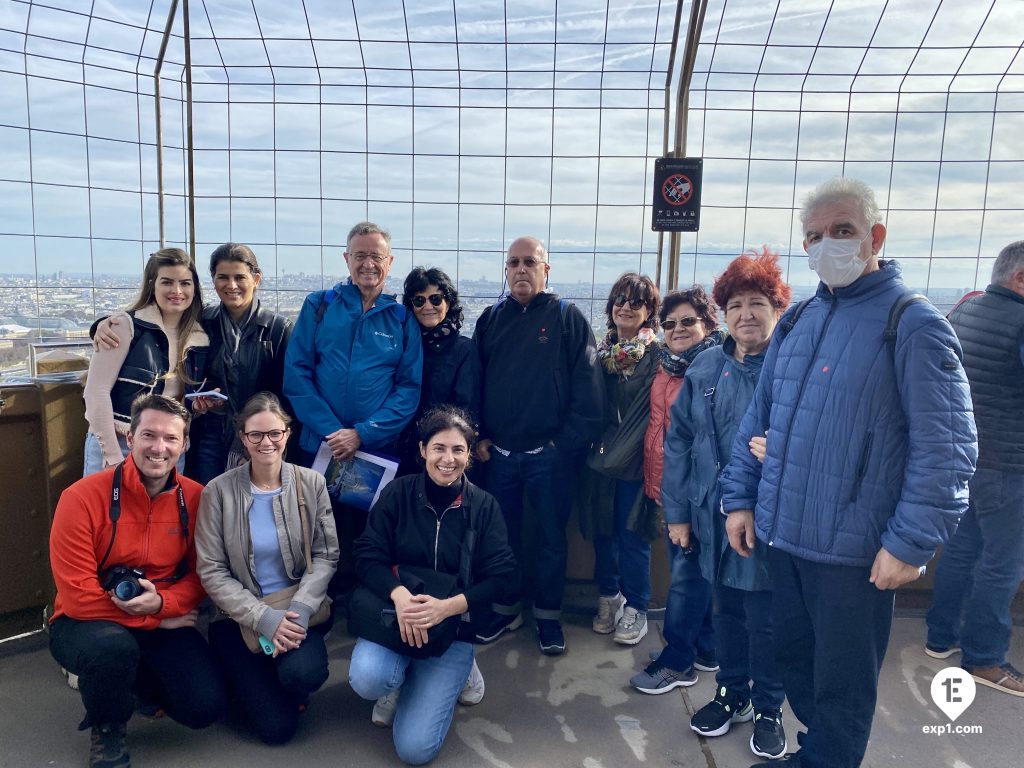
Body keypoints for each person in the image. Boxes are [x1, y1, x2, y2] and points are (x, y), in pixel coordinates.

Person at [720, 177, 978, 768]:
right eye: (813, 236)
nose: (826, 246)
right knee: (796, 664)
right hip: (785, 536)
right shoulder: (800, 321)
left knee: (842, 688)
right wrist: (740, 499)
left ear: (875, 237)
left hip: (854, 555)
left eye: (842, 231)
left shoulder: (912, 323)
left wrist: (910, 542)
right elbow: (759, 420)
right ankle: (817, 753)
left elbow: (950, 448)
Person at [660, 250, 790, 760]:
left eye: (758, 303)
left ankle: (770, 705)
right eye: (735, 305)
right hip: (709, 513)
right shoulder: (707, 366)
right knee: (727, 610)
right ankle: (732, 692)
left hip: (769, 519)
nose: (746, 315)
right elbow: (680, 442)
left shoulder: (790, 367)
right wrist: (677, 514)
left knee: (765, 616)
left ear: (778, 308)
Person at [49, 394, 226, 768]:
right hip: (88, 621)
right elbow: (79, 599)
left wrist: (164, 602)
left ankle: (135, 684)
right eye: (149, 435)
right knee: (112, 650)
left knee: (203, 708)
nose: (158, 448)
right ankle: (107, 727)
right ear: (130, 438)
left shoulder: (197, 498)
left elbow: (203, 574)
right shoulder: (80, 498)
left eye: (170, 438)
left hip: (159, 609)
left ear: (185, 444)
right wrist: (157, 618)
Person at [348, 406, 516, 766]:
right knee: (368, 679)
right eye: (439, 448)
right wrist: (399, 596)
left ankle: (461, 672)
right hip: (397, 614)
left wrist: (448, 607)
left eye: (458, 450)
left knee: (415, 750)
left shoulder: (484, 506)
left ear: (469, 455)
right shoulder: (397, 493)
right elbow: (366, 555)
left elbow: (502, 576)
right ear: (423, 449)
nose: (448, 458)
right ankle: (399, 679)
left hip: (452, 628)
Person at [472, 236, 603, 655]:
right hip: (500, 457)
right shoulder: (490, 320)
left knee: (550, 538)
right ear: (505, 270)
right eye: (513, 262)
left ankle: (548, 617)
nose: (521, 269)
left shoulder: (567, 318)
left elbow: (589, 391)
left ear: (546, 270)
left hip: (550, 457)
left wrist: (561, 446)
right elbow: (476, 384)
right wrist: (479, 437)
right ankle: (507, 608)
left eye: (530, 262)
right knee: (501, 538)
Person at [195, 392, 339, 744]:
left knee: (303, 674)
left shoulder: (312, 483)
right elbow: (211, 570)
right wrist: (262, 618)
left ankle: (277, 679)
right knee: (277, 730)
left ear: (287, 434)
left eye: (275, 433)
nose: (266, 442)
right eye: (256, 434)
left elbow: (326, 554)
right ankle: (245, 680)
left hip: (294, 609)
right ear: (242, 438)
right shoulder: (218, 492)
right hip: (239, 618)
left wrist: (302, 609)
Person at [94, 243, 293, 484]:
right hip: (206, 435)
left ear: (256, 279)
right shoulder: (202, 322)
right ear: (213, 280)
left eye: (239, 277)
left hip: (254, 436)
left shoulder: (278, 329)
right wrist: (102, 325)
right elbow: (161, 321)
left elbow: (286, 391)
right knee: (205, 505)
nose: (231, 285)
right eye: (223, 277)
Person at [284, 222, 422, 547]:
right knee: (313, 532)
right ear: (346, 258)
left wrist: (362, 433)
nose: (368, 264)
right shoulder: (319, 306)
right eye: (360, 255)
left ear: (390, 262)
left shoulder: (402, 319)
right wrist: (335, 434)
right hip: (319, 446)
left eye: (376, 256)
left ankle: (358, 597)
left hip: (374, 450)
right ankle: (319, 597)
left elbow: (408, 388)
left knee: (367, 535)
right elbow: (297, 375)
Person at [925, 240, 1024, 697]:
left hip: (965, 458)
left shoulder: (964, 312)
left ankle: (940, 636)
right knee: (1001, 565)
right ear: (1020, 278)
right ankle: (984, 658)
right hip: (1011, 464)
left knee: (961, 550)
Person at [629, 286, 724, 690]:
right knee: (691, 572)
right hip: (667, 483)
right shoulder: (667, 366)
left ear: (708, 322)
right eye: (669, 323)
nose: (678, 329)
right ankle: (704, 647)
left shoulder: (718, 368)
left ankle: (677, 660)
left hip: (698, 492)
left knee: (686, 577)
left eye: (688, 321)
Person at [578, 273, 662, 646]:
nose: (626, 307)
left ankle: (637, 607)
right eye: (620, 300)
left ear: (649, 312)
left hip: (635, 461)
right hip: (599, 459)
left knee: (634, 536)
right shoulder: (599, 353)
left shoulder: (657, 356)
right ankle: (609, 596)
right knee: (603, 531)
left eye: (636, 302)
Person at [83, 248, 208, 475]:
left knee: (161, 511)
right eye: (167, 282)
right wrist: (112, 457)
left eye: (186, 283)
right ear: (152, 285)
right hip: (120, 441)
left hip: (169, 446)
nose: (177, 291)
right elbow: (95, 393)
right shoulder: (124, 326)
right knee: (109, 510)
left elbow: (180, 400)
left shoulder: (199, 338)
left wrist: (198, 406)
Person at [396, 266, 480, 475]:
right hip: (400, 449)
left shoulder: (463, 349)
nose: (428, 306)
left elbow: (466, 407)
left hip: (442, 454)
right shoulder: (402, 345)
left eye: (436, 299)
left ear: (448, 302)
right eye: (419, 300)